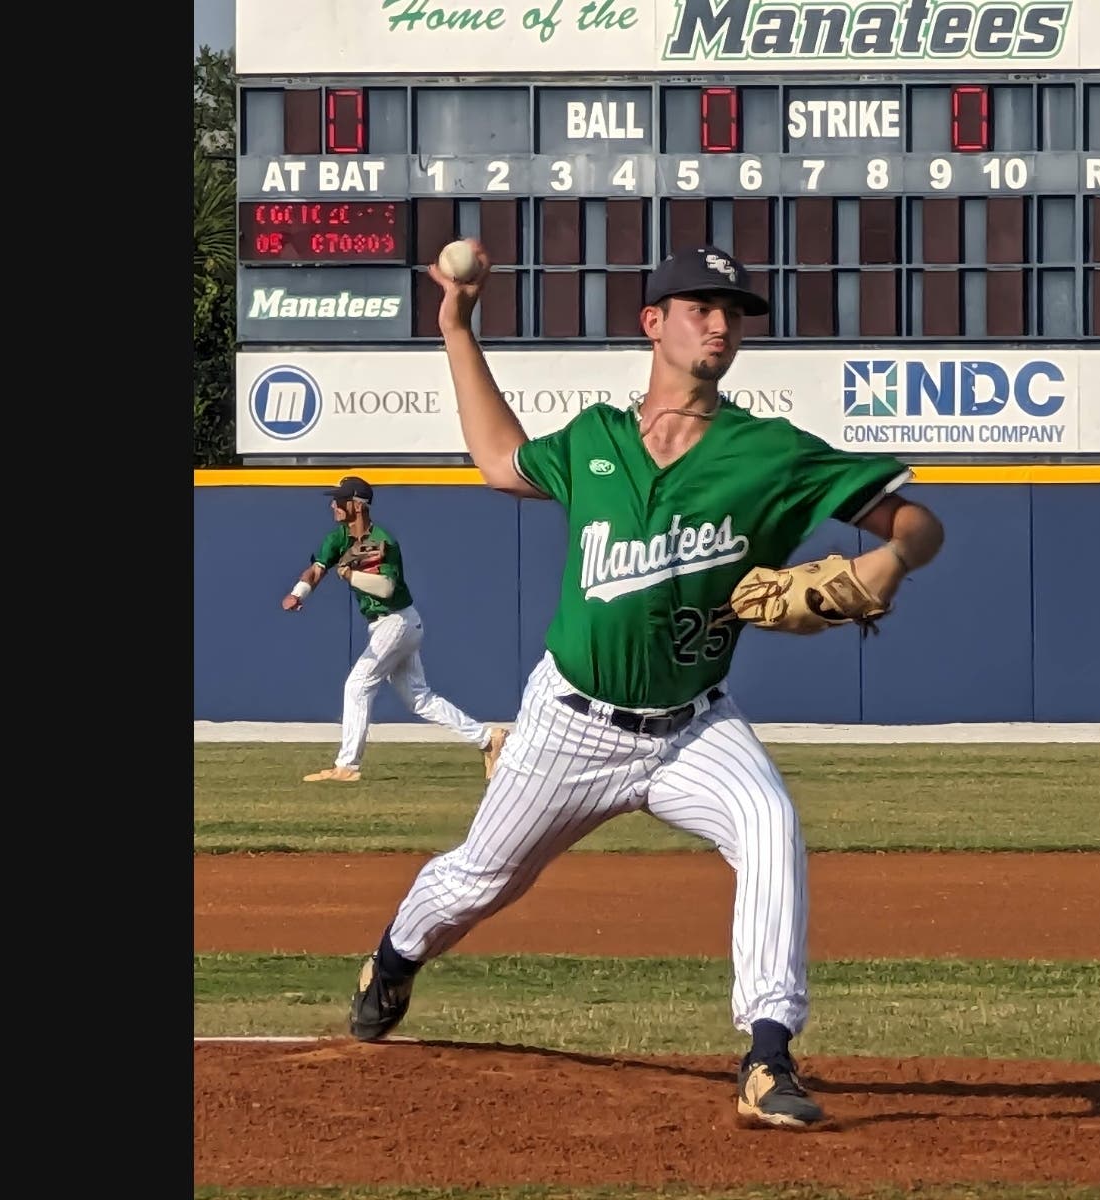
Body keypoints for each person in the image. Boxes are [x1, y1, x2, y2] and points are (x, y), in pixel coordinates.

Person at [346, 244, 945, 1130]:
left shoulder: (772, 453)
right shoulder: (595, 440)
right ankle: (395, 960)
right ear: (653, 324)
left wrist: (891, 560)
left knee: (770, 823)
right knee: (479, 881)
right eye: (700, 307)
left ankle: (768, 1054)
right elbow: (500, 460)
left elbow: (919, 522)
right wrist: (456, 324)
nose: (720, 323)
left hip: (694, 726)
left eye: (732, 311)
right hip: (569, 722)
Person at [281, 474, 508, 783]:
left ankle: (347, 765)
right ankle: (488, 739)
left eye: (340, 500)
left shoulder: (383, 540)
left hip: (397, 620)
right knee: (419, 698)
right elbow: (316, 570)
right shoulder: (338, 538)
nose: (334, 505)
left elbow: (386, 589)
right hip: (390, 625)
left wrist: (349, 576)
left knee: (358, 685)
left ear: (357, 506)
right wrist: (298, 593)